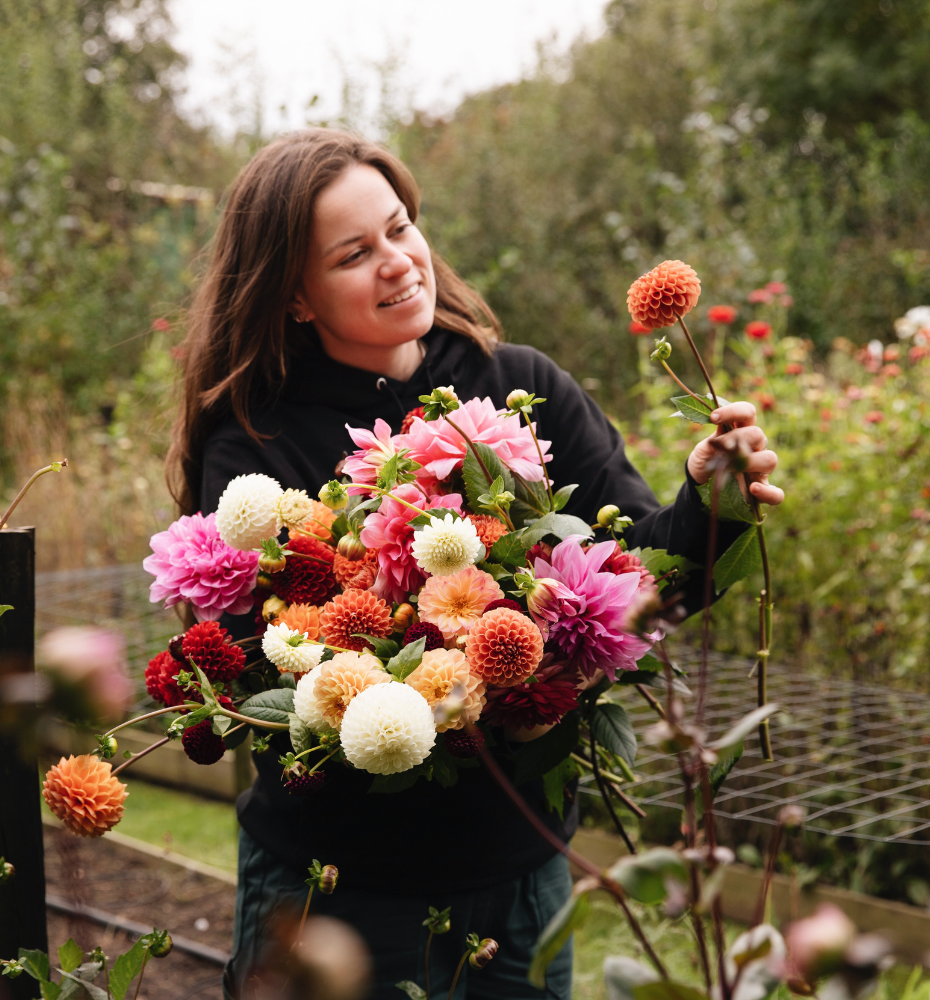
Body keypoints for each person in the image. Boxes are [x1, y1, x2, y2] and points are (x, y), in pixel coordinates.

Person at [166, 128, 783, 1000]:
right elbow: (255, 660)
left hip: (519, 876)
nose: (397, 260)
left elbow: (638, 578)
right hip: (338, 891)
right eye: (353, 254)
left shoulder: (522, 385)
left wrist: (708, 507)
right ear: (295, 297)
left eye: (399, 228)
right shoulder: (257, 446)